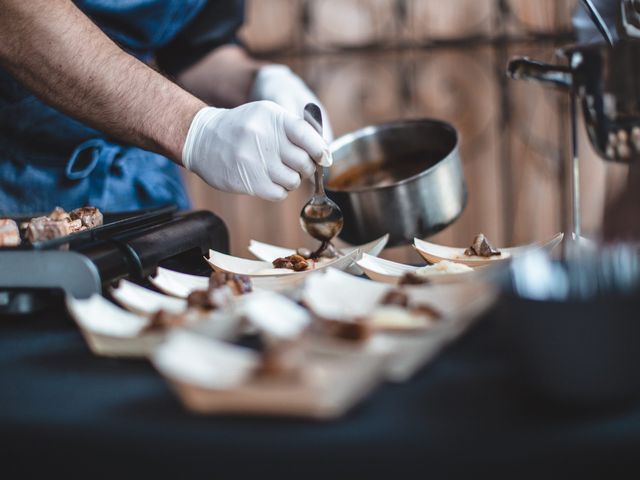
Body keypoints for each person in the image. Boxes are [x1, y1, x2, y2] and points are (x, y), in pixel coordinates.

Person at [0, 0, 332, 214]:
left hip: (144, 195)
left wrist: (258, 80)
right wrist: (189, 128)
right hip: (17, 199)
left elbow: (195, 50)